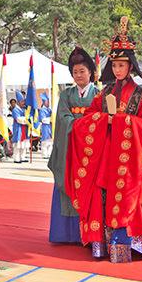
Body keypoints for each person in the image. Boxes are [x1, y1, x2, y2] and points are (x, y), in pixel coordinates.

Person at [65, 18, 142, 263]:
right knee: (102, 196)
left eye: (122, 65)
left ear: (130, 66)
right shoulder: (104, 93)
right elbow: (86, 120)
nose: (118, 70)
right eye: (115, 65)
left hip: (130, 159)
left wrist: (119, 122)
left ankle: (134, 245)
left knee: (135, 195)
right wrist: (102, 121)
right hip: (105, 155)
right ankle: (103, 246)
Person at [47, 46, 98, 244]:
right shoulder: (66, 95)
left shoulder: (99, 95)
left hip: (90, 149)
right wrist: (81, 124)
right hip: (70, 148)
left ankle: (89, 233)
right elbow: (63, 118)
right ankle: (65, 234)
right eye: (75, 72)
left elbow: (100, 120)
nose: (78, 75)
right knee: (67, 183)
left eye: (82, 71)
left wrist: (84, 125)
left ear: (91, 73)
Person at [12, 91, 29, 163]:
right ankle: (16, 158)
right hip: (18, 128)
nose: (23, 103)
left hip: (24, 129)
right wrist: (27, 120)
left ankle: (22, 156)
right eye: (22, 101)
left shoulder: (24, 109)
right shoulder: (15, 110)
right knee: (17, 144)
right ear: (18, 102)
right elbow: (19, 119)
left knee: (24, 143)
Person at [39, 93, 53, 159]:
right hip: (45, 127)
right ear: (44, 102)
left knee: (50, 141)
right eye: (47, 101)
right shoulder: (42, 110)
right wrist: (51, 118)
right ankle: (44, 154)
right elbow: (43, 119)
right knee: (45, 141)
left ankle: (49, 153)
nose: (49, 103)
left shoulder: (49, 110)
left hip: (50, 126)